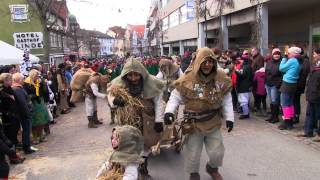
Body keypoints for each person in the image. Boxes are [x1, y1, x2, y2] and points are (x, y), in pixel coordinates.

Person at [164, 47, 234, 180]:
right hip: (193, 125)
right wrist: (169, 112)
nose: (207, 65)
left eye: (210, 61)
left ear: (214, 62)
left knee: (217, 152)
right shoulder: (188, 78)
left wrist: (230, 118)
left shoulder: (220, 78)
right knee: (193, 153)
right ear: (198, 62)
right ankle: (193, 173)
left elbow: (227, 99)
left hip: (213, 122)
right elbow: (175, 97)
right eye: (204, 62)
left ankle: (212, 168)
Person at [107, 58, 165, 177]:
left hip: (147, 121)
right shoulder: (120, 84)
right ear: (125, 75)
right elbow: (111, 95)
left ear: (141, 74)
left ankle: (143, 169)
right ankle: (130, 172)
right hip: (127, 122)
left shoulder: (151, 83)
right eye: (130, 75)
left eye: (136, 75)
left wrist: (159, 121)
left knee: (145, 146)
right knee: (128, 147)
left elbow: (159, 102)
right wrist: (115, 101)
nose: (133, 78)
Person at [11, 73, 37, 154]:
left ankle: (27, 146)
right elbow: (23, 103)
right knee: (26, 130)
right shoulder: (17, 89)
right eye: (22, 79)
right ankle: (27, 147)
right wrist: (28, 113)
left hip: (23, 113)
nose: (23, 80)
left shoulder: (17, 88)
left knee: (26, 130)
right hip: (24, 113)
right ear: (19, 80)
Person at [278, 47, 302, 130]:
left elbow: (281, 68)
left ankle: (286, 123)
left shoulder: (292, 60)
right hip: (293, 83)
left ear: (293, 53)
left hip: (287, 83)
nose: (288, 54)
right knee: (290, 104)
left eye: (289, 53)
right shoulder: (299, 61)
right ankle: (290, 122)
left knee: (284, 104)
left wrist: (284, 58)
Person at [24, 69, 50, 144]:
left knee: (42, 120)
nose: (38, 77)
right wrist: (32, 96)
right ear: (32, 76)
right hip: (32, 103)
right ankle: (35, 137)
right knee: (34, 121)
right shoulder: (26, 83)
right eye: (36, 76)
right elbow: (26, 95)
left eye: (38, 75)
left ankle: (41, 135)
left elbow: (44, 91)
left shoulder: (40, 82)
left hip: (40, 101)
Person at [300, 48, 320, 139]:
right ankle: (308, 131)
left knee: (318, 115)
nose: (313, 55)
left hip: (317, 95)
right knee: (309, 114)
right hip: (312, 94)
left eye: (315, 54)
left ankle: (318, 134)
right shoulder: (315, 65)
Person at [265, 48, 282, 124]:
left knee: (275, 101)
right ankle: (272, 116)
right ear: (272, 54)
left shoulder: (282, 62)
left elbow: (282, 75)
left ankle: (275, 117)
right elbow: (266, 72)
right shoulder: (269, 62)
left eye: (278, 54)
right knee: (271, 101)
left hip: (275, 84)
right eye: (275, 54)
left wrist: (278, 84)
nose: (277, 55)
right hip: (268, 84)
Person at [235, 50, 253, 119]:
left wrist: (236, 71)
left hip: (244, 86)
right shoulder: (247, 66)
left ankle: (246, 113)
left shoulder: (246, 67)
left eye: (241, 60)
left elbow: (242, 75)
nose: (240, 61)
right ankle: (245, 112)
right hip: (244, 86)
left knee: (244, 100)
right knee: (243, 100)